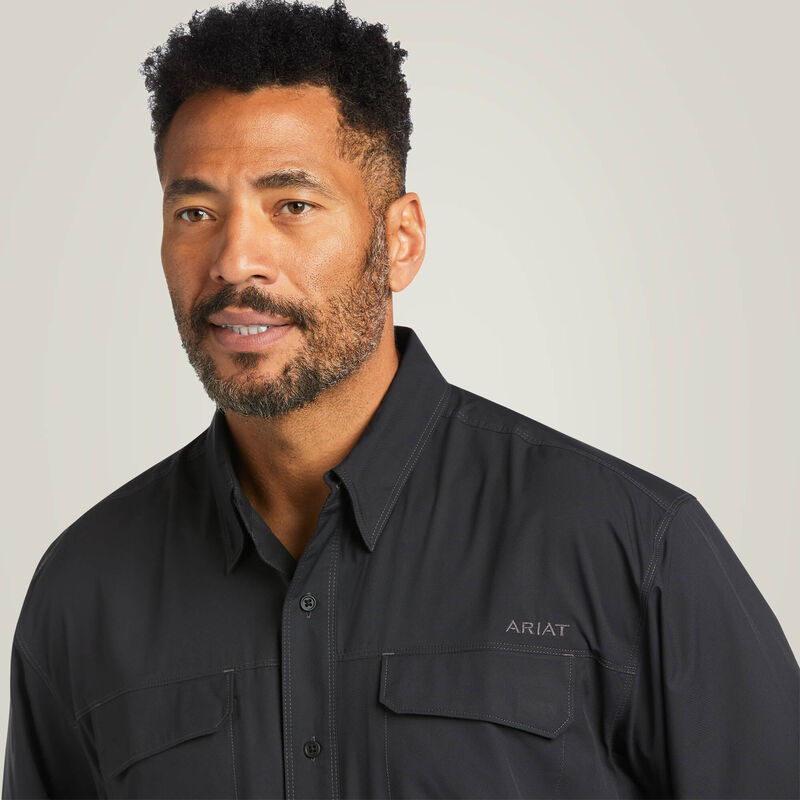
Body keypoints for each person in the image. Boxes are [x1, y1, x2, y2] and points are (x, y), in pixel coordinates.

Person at [3, 0, 798, 797]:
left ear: (401, 241)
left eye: (293, 205)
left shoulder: (630, 548)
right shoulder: (82, 594)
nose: (235, 260)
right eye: (195, 212)